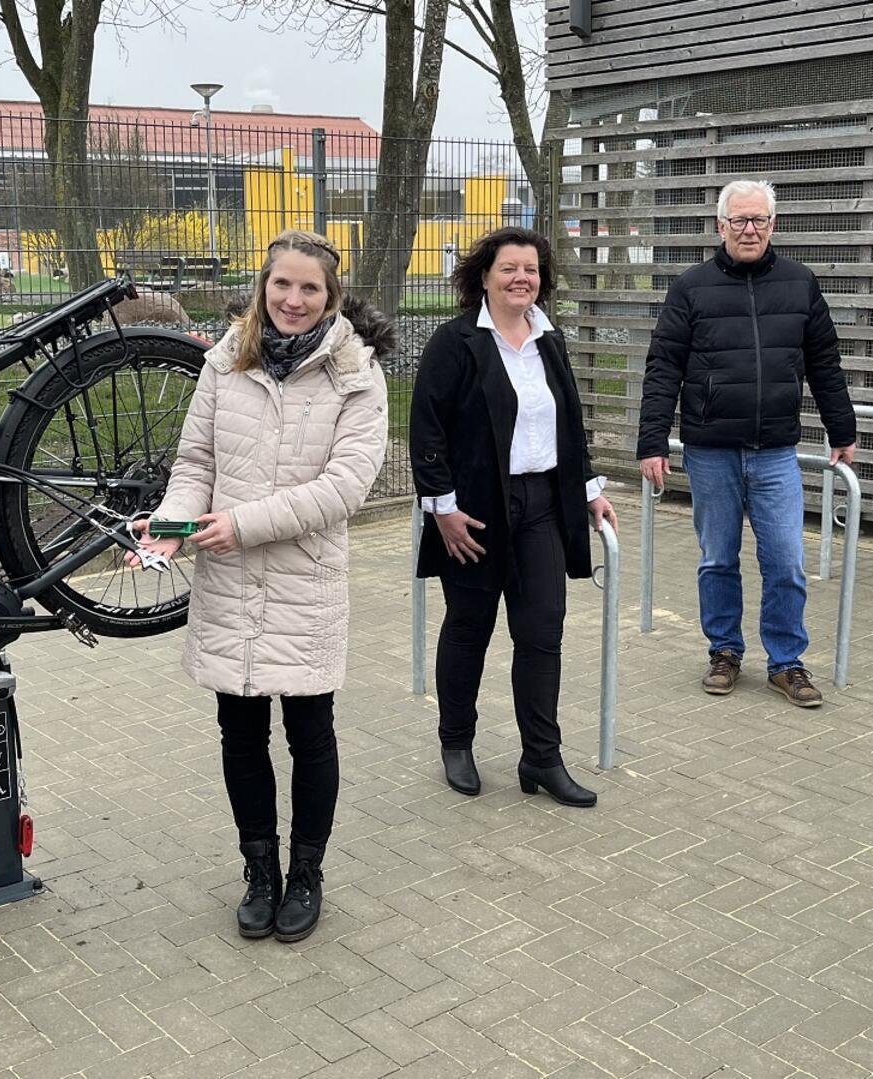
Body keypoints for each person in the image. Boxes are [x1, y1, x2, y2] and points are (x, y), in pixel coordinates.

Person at [132, 229, 389, 943]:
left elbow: (345, 488)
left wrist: (240, 523)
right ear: (263, 286)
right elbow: (194, 461)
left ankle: (306, 873)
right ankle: (260, 870)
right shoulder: (225, 362)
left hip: (304, 580)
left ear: (331, 296)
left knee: (311, 732)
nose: (294, 300)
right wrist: (171, 524)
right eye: (282, 285)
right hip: (230, 577)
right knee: (239, 732)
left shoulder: (358, 377)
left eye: (310, 288)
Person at [410, 226, 619, 807]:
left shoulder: (550, 341)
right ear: (484, 276)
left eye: (531, 269)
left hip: (542, 510)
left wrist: (588, 491)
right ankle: (456, 741)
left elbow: (567, 424)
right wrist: (442, 510)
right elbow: (426, 431)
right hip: (473, 513)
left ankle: (542, 758)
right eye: (509, 268)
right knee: (469, 629)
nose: (521, 278)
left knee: (541, 634)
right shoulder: (455, 343)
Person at [636, 179, 857, 707]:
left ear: (773, 225)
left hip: (776, 451)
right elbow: (663, 367)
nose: (750, 229)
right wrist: (651, 442)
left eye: (759, 219)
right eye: (739, 220)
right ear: (720, 226)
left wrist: (842, 429)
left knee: (785, 560)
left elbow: (825, 362)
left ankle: (786, 661)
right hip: (710, 450)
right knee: (718, 559)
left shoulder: (800, 284)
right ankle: (724, 652)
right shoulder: (691, 287)